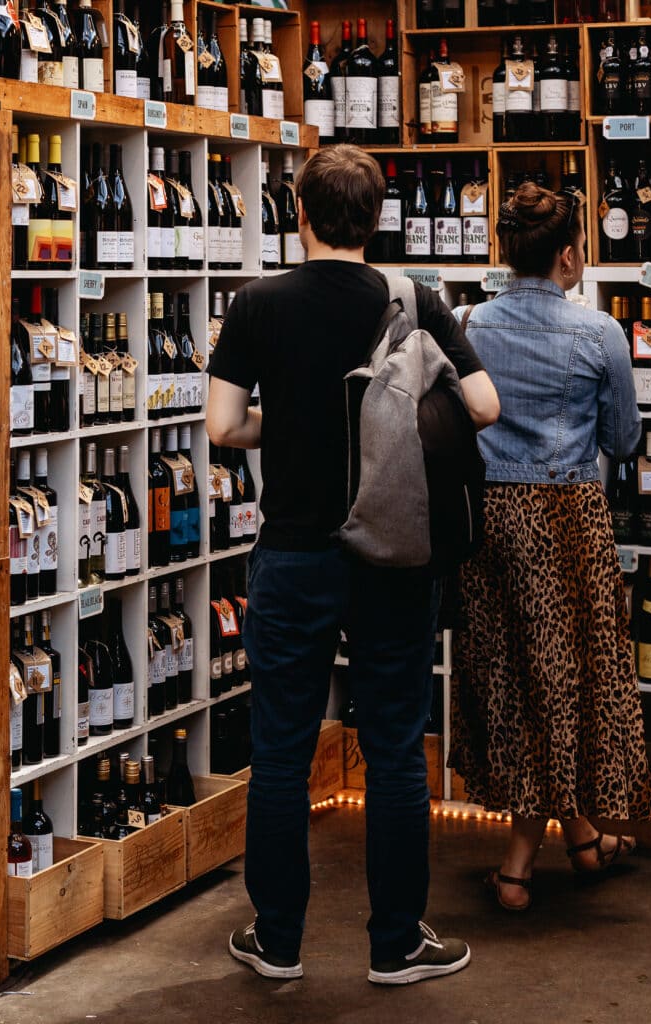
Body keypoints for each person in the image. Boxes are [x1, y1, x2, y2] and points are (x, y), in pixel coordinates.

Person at [207, 145, 499, 985]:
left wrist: (289, 426)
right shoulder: (415, 297)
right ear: (376, 219)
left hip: (295, 554)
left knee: (283, 750)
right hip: (395, 551)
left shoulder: (255, 304)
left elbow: (225, 428)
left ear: (297, 213)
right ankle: (397, 943)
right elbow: (483, 405)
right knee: (398, 749)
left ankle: (279, 940)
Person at [449, 181, 651, 912]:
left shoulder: (466, 323)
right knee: (568, 681)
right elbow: (625, 442)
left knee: (511, 679)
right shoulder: (598, 335)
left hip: (491, 521)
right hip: (567, 517)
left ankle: (583, 836)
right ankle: (516, 869)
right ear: (568, 256)